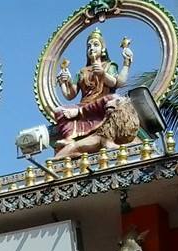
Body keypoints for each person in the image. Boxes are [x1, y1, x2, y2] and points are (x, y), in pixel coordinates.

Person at [52, 28, 134, 158]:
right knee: (58, 111)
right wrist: (63, 82)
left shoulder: (109, 65)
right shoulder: (82, 71)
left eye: (95, 44)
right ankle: (69, 137)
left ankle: (85, 120)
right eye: (89, 46)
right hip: (84, 105)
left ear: (103, 49)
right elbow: (70, 95)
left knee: (113, 98)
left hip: (101, 103)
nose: (91, 48)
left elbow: (114, 83)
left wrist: (103, 73)